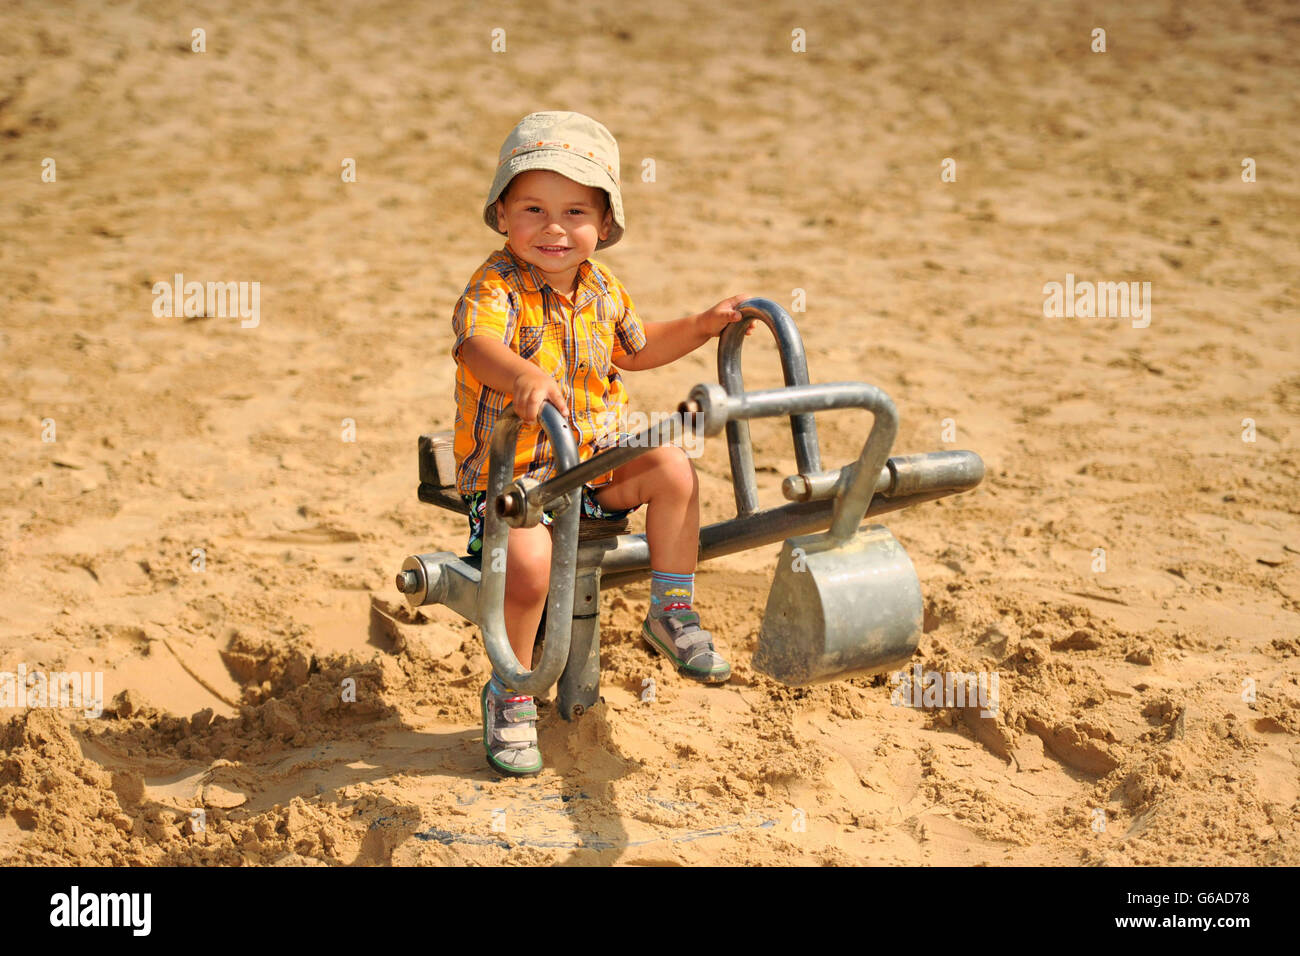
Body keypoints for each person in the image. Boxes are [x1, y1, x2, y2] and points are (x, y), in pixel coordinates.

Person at [450, 110, 752, 776]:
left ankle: (671, 610)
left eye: (575, 211)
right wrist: (522, 374)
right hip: (521, 478)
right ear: (502, 214)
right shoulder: (494, 286)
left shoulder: (602, 288)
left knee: (672, 466)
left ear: (605, 226)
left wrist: (701, 326)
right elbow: (477, 347)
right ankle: (514, 687)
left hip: (591, 467)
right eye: (533, 208)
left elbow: (635, 353)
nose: (555, 228)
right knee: (528, 570)